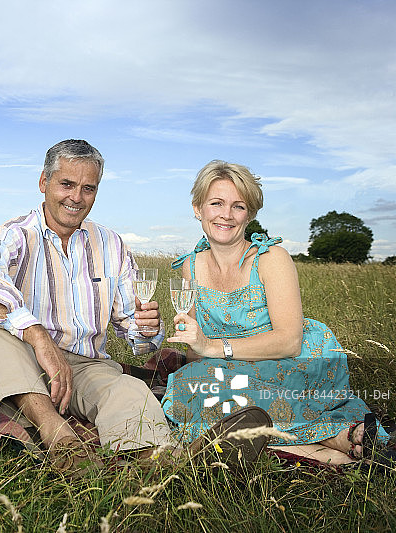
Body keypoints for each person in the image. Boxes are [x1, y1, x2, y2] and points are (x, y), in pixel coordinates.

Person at [0, 140, 271, 476]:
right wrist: (38, 337)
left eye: (88, 188)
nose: (76, 197)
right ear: (43, 183)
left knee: (129, 388)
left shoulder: (111, 244)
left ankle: (167, 464)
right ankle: (57, 434)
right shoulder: (15, 234)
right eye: (67, 184)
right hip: (21, 355)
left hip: (85, 364)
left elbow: (134, 332)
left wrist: (147, 329)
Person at [161, 160, 389, 466]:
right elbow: (196, 354)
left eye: (238, 206)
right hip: (230, 367)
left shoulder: (271, 259)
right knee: (188, 385)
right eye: (216, 203)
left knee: (219, 394)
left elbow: (288, 342)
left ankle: (323, 440)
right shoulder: (189, 267)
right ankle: (335, 445)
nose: (226, 215)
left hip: (289, 361)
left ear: (250, 214)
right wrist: (182, 342)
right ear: (197, 208)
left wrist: (214, 348)